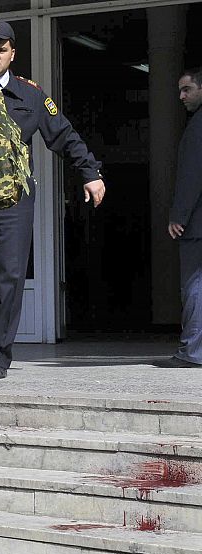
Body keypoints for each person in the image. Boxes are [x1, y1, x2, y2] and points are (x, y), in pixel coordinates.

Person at [0, 21, 106, 381]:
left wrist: (90, 173)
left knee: (9, 279)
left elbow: (63, 135)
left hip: (12, 203)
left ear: (12, 53)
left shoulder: (30, 96)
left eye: (0, 48)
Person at [153, 68, 202, 368]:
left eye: (188, 89)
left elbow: (191, 175)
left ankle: (193, 351)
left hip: (197, 225)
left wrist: (178, 215)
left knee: (195, 287)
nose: (181, 96)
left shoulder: (198, 125)